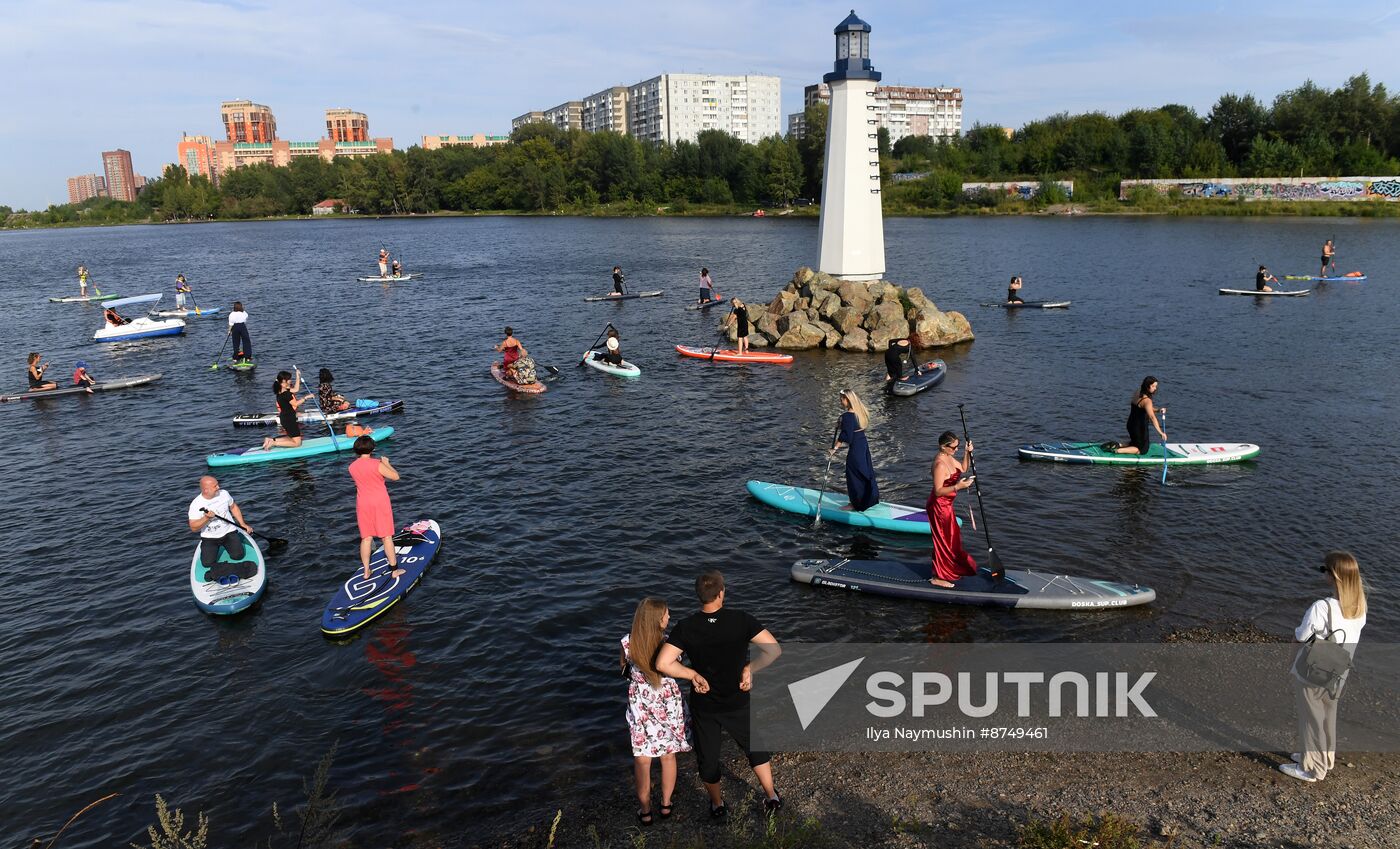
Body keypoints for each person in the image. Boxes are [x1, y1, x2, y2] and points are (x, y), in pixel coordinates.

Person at [657, 571, 782, 818]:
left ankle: (717, 804)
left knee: (708, 757)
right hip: (737, 699)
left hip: (705, 706)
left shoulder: (687, 626)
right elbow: (774, 650)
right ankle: (771, 796)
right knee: (753, 747)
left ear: (698, 596)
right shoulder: (741, 620)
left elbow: (663, 663)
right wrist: (750, 668)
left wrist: (692, 675)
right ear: (722, 592)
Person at [1282, 551, 1368, 782]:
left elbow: (1301, 635)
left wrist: (1290, 660)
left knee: (1311, 718)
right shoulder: (1360, 606)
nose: (1323, 573)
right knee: (1328, 716)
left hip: (1314, 670)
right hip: (1339, 671)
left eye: (1325, 569)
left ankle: (1312, 769)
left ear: (1335, 576)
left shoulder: (1322, 607)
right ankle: (1324, 759)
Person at [620, 597, 692, 827]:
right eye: (666, 615)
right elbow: (675, 666)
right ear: (657, 621)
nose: (669, 617)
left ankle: (645, 811)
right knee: (668, 756)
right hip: (667, 707)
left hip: (641, 708)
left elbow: (623, 669)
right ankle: (666, 804)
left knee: (642, 762)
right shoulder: (669, 644)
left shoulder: (628, 643)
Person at [928, 431, 978, 587]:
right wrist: (957, 486)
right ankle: (938, 577)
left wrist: (967, 453)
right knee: (943, 540)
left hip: (947, 506)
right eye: (954, 447)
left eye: (958, 446)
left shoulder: (949, 457)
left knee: (952, 540)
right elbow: (937, 491)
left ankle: (948, 569)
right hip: (938, 507)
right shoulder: (939, 464)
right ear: (943, 446)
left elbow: (963, 468)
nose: (956, 449)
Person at [349, 434, 401, 581]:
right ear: (372, 449)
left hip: (363, 503)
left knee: (366, 538)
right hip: (379, 502)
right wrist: (386, 463)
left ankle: (366, 571)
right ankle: (394, 570)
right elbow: (396, 477)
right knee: (386, 536)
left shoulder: (352, 467)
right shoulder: (377, 464)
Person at [187, 475, 253, 573]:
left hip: (229, 532)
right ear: (206, 490)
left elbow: (233, 507)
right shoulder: (196, 504)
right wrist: (206, 518)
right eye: (215, 486)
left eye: (218, 484)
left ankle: (235, 541)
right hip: (209, 537)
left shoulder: (224, 494)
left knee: (238, 556)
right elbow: (193, 527)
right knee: (207, 564)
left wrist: (242, 523)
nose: (218, 487)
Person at [831, 389, 879, 511]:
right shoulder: (860, 412)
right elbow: (853, 428)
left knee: (853, 473)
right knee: (865, 471)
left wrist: (834, 448)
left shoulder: (846, 416)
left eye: (842, 399)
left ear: (847, 399)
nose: (840, 402)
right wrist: (842, 426)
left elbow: (847, 436)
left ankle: (856, 504)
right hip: (863, 445)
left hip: (856, 448)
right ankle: (867, 499)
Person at [1110, 376, 1166, 455]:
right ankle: (1117, 451)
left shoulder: (1138, 392)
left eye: (1156, 386)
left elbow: (1147, 408)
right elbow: (1152, 417)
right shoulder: (1147, 401)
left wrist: (1158, 410)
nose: (1155, 388)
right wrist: (1160, 433)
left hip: (1130, 425)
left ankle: (1119, 445)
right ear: (1147, 386)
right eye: (1153, 386)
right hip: (1139, 428)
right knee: (1142, 449)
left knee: (1135, 442)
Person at [260, 369, 311, 451]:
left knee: (291, 437)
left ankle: (271, 440)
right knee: (297, 443)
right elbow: (296, 404)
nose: (291, 381)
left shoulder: (279, 392)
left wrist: (298, 376)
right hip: (289, 419)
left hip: (284, 418)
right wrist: (306, 397)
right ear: (284, 381)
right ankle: (274, 443)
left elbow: (296, 389)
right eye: (289, 379)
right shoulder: (287, 394)